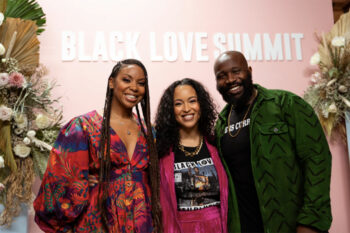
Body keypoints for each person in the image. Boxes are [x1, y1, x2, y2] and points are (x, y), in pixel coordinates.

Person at [33, 59, 162, 233]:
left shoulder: (148, 131)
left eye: (141, 83)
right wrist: (81, 183)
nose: (134, 87)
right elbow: (59, 181)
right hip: (98, 223)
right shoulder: (84, 127)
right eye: (126, 80)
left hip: (142, 224)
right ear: (111, 82)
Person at [213, 51, 332, 233]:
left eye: (236, 71)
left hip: (291, 225)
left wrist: (311, 222)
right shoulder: (221, 124)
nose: (230, 79)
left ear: (249, 71)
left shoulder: (286, 104)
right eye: (222, 76)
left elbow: (317, 160)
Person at [155, 78, 228, 233]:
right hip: (178, 228)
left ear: (201, 104)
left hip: (217, 227)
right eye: (178, 103)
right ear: (170, 110)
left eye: (192, 101)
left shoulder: (217, 144)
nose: (187, 108)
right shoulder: (161, 151)